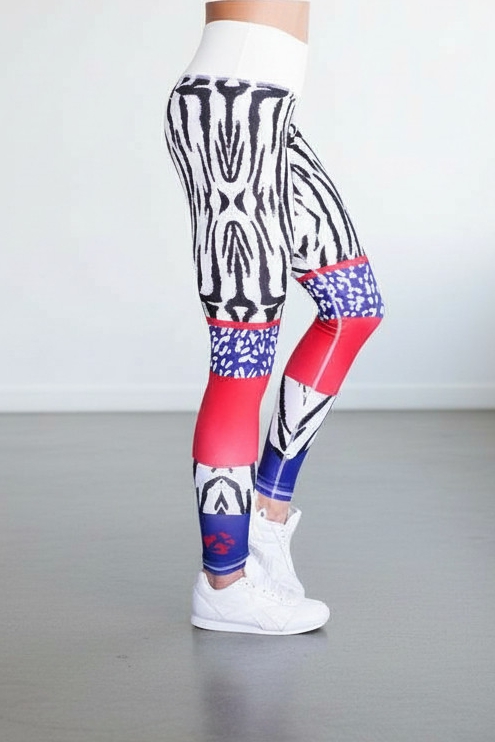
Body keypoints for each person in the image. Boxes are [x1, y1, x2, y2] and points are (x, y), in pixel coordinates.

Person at [164, 0, 384, 635]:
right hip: (230, 108)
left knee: (353, 308)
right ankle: (224, 584)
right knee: (242, 357)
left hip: (271, 111)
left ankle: (267, 514)